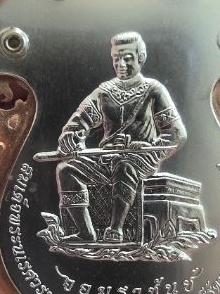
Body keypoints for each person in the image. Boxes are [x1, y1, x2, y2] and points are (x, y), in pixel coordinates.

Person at [56, 31, 187, 243]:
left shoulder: (154, 90)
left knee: (124, 165)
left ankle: (115, 230)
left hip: (140, 159)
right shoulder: (104, 92)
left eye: (127, 58)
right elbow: (80, 120)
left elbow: (177, 133)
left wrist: (148, 147)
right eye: (116, 59)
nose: (121, 64)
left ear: (141, 58)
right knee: (66, 170)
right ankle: (86, 233)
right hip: (106, 158)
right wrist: (70, 137)